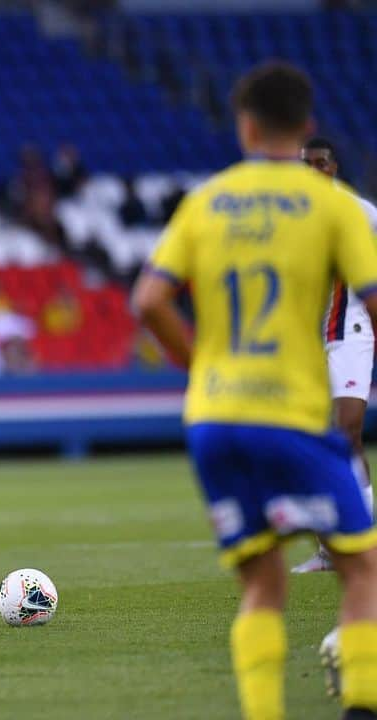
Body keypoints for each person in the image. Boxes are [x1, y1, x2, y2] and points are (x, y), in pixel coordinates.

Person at [131, 62, 377, 720]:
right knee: (363, 569)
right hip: (292, 414)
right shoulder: (334, 205)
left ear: (244, 126)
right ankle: (361, 704)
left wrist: (199, 366)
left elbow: (149, 300)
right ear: (308, 127)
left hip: (214, 418)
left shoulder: (206, 201)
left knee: (261, 583)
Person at [292, 136, 377, 574]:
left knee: (347, 430)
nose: (313, 170)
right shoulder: (290, 214)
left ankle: (364, 538)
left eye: (320, 163)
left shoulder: (355, 210)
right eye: (305, 163)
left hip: (351, 327)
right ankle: (329, 549)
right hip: (307, 335)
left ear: (334, 166)